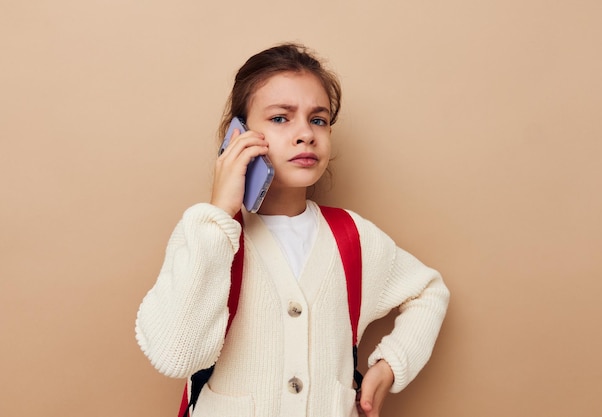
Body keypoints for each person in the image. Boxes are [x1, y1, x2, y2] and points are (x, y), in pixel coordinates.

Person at [136, 42, 450, 417]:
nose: (306, 133)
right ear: (238, 135)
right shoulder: (208, 234)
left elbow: (429, 291)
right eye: (281, 118)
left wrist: (392, 365)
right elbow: (175, 356)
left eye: (318, 119)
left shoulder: (353, 237)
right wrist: (220, 211)